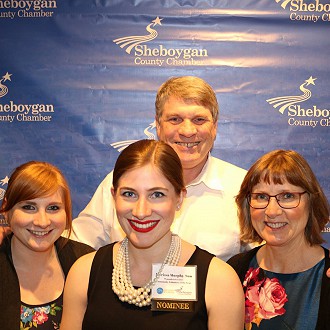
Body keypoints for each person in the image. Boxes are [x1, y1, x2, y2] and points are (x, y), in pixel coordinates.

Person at [60, 140, 244, 330]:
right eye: (129, 194)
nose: (141, 211)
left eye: (157, 195)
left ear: (179, 198)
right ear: (113, 196)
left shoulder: (219, 282)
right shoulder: (84, 273)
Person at [71, 75, 248, 261]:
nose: (187, 131)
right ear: (157, 125)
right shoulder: (122, 182)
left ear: (215, 127)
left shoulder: (242, 187)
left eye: (199, 120)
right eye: (175, 119)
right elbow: (77, 249)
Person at [227, 149, 330, 330]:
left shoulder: (327, 275)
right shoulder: (236, 271)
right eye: (261, 197)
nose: (272, 211)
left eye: (287, 196)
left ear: (311, 203)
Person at [0, 161, 94, 330]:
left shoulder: (87, 263)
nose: (42, 222)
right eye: (29, 207)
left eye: (53, 208)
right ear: (7, 209)